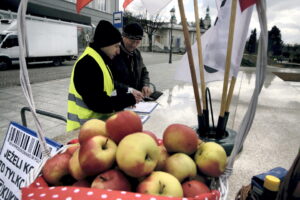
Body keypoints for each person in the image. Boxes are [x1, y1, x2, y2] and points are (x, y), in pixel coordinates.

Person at [66, 20, 142, 132]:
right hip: (83, 129)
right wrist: (129, 99)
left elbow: (109, 85)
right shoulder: (88, 64)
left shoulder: (99, 59)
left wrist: (129, 91)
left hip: (96, 125)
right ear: (105, 44)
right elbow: (99, 103)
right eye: (116, 46)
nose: (118, 51)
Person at [111, 22, 152, 98]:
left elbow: (144, 71)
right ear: (123, 37)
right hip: (120, 99)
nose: (134, 45)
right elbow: (110, 81)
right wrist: (129, 90)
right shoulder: (114, 53)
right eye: (132, 41)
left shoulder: (137, 53)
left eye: (137, 42)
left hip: (136, 98)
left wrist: (145, 85)